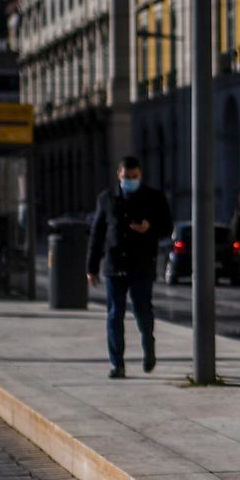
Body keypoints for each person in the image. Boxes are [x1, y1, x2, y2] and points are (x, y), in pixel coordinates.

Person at [87, 156, 173, 379]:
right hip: (114, 265)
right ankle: (117, 364)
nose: (130, 181)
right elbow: (97, 234)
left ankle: (148, 347)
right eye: (126, 177)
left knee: (143, 312)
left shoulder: (153, 197)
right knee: (114, 315)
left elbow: (167, 227)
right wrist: (92, 267)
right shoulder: (106, 199)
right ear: (119, 175)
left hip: (142, 265)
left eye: (134, 177)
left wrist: (149, 228)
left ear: (140, 175)